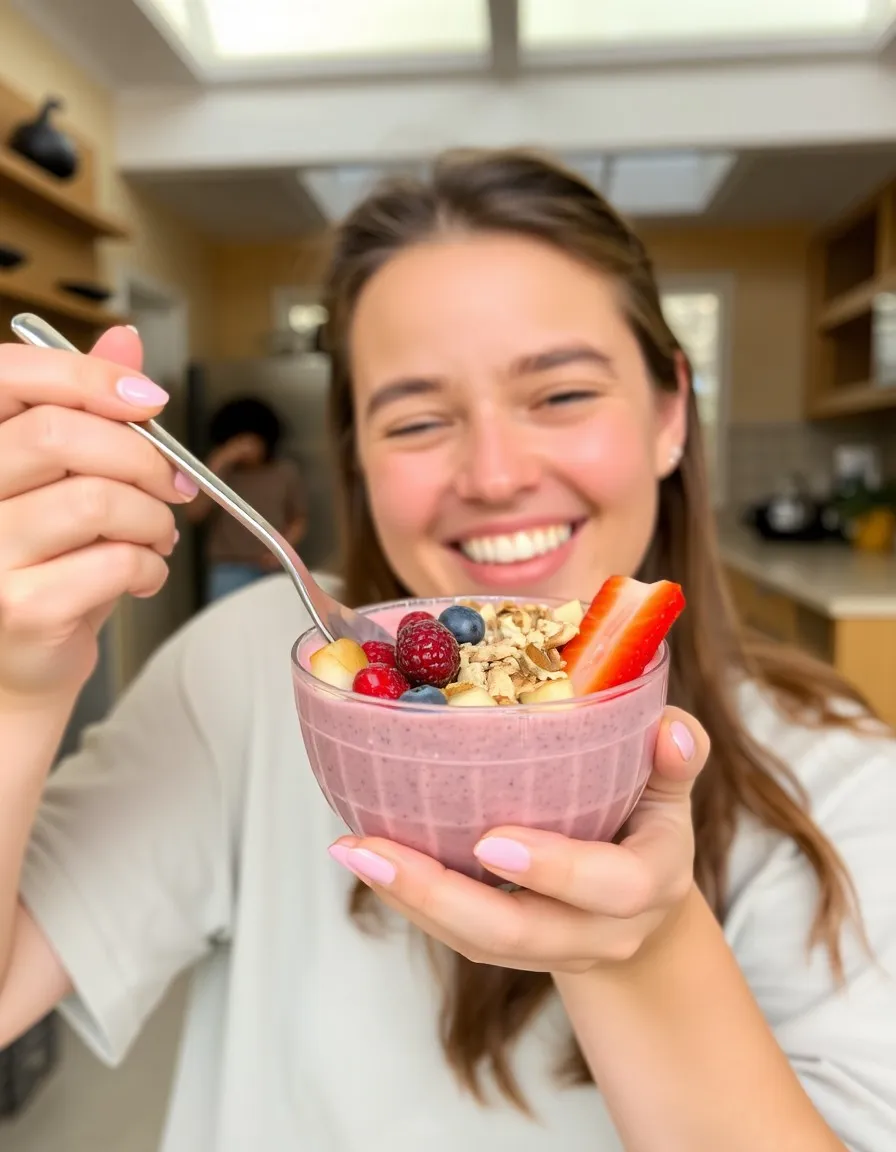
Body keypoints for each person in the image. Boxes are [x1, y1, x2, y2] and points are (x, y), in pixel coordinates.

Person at [0, 149, 893, 1152]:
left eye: (559, 395)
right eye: (418, 419)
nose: (495, 474)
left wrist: (640, 949)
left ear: (669, 411)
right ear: (359, 461)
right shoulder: (247, 672)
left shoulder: (837, 778)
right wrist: (15, 694)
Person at [185, 396, 307, 602]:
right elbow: (194, 513)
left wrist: (283, 552)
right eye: (239, 440)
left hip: (274, 568)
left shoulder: (284, 472)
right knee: (228, 628)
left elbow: (299, 519)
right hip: (227, 570)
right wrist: (221, 460)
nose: (247, 447)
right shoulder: (219, 473)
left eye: (252, 440)